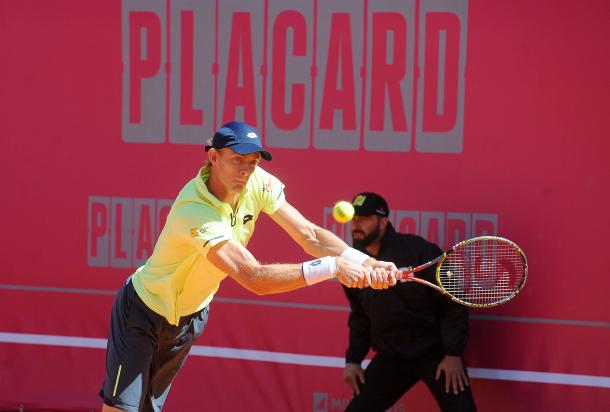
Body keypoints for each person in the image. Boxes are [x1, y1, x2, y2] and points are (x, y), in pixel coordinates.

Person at [99, 122, 398, 412]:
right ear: (213, 158)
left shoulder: (257, 182)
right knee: (122, 409)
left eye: (252, 162)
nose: (245, 169)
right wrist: (334, 266)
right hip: (143, 311)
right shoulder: (195, 211)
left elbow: (309, 235)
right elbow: (253, 277)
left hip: (189, 318)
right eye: (237, 160)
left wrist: (366, 262)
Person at [341, 192, 477, 412]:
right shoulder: (352, 263)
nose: (356, 224)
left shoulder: (419, 251)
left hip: (435, 354)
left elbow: (453, 303)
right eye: (354, 218)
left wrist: (453, 354)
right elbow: (360, 315)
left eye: (364, 218)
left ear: (383, 222)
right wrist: (353, 360)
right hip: (391, 356)